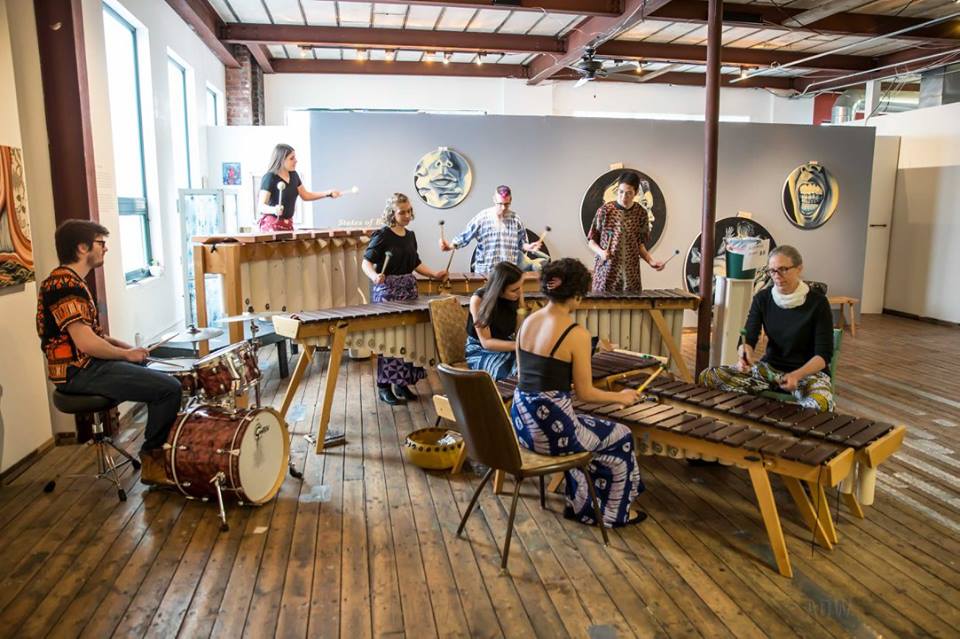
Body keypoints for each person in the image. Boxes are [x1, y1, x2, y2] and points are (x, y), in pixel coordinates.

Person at [36, 220, 182, 484]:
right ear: (82, 247)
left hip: (83, 367)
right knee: (169, 388)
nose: (106, 249)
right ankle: (153, 461)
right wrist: (126, 356)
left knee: (151, 371)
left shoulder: (67, 281)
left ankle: (164, 450)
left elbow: (95, 336)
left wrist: (128, 348)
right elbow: (87, 344)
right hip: (78, 372)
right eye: (101, 243)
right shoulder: (65, 286)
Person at [511, 258, 646, 527]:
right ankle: (613, 514)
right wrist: (621, 396)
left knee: (589, 431)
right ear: (577, 294)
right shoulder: (577, 334)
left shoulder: (528, 320)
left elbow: (526, 373)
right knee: (621, 435)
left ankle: (581, 504)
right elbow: (585, 393)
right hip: (552, 431)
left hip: (522, 424)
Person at [699, 245, 835, 412]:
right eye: (772, 271)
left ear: (799, 268)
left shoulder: (818, 303)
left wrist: (796, 376)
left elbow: (823, 356)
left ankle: (783, 422)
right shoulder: (763, 298)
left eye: (783, 269)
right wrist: (744, 355)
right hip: (770, 372)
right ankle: (760, 413)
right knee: (709, 376)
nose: (776, 276)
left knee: (820, 404)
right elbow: (748, 338)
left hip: (806, 375)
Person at [362, 193, 448, 405]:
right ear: (392, 213)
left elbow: (416, 263)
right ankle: (384, 385)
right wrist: (374, 276)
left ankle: (401, 383)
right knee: (389, 340)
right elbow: (366, 262)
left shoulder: (410, 236)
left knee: (408, 339)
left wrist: (433, 274)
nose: (407, 215)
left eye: (409, 211)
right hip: (387, 291)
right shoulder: (382, 235)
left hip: (409, 289)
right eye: (402, 212)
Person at [586, 171, 664, 293]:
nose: (623, 197)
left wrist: (651, 261)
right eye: (621, 192)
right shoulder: (605, 211)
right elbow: (591, 241)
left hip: (630, 276)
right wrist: (601, 252)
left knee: (631, 309)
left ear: (636, 193)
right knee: (605, 310)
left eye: (629, 193)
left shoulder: (641, 213)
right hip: (606, 274)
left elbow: (639, 245)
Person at [439, 185, 542, 275]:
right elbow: (465, 236)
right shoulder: (482, 217)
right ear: (494, 199)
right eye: (500, 204)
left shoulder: (515, 219)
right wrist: (449, 246)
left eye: (506, 204)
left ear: (510, 200)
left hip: (508, 273)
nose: (503, 208)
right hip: (485, 271)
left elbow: (521, 243)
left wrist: (529, 247)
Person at [258, 143, 341, 232]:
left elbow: (305, 195)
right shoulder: (270, 177)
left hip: (288, 224)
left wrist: (328, 193)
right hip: (271, 225)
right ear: (281, 160)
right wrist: (274, 209)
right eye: (291, 158)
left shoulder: (294, 175)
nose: (296, 161)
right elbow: (261, 206)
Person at [465, 261, 524, 381]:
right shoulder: (478, 300)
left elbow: (519, 330)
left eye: (520, 286)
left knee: (531, 368)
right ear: (499, 289)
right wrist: (519, 346)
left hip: (508, 343)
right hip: (480, 349)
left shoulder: (516, 292)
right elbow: (486, 342)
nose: (519, 292)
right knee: (508, 376)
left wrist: (522, 349)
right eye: (514, 290)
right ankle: (501, 399)